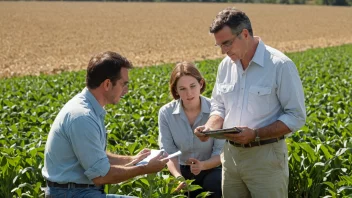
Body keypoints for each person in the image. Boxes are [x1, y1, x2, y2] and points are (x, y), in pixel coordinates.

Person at [194, 7, 306, 198]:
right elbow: (219, 105)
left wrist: (255, 134)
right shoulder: (225, 66)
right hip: (230, 157)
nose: (223, 51)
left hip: (266, 159)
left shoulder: (279, 65)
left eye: (227, 43)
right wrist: (210, 127)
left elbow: (296, 116)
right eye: (219, 46)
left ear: (244, 34)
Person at [42, 51, 169, 198]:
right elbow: (102, 176)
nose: (126, 90)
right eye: (123, 84)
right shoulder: (82, 117)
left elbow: (97, 157)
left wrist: (134, 159)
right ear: (107, 84)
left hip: (77, 191)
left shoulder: (88, 108)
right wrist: (144, 168)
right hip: (70, 194)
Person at [158, 62, 224, 198]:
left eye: (193, 86)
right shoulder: (166, 113)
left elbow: (220, 152)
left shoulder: (215, 110)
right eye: (182, 88)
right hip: (181, 169)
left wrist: (203, 166)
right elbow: (169, 152)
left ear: (201, 83)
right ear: (175, 90)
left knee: (214, 184)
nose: (189, 93)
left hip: (211, 167)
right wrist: (178, 177)